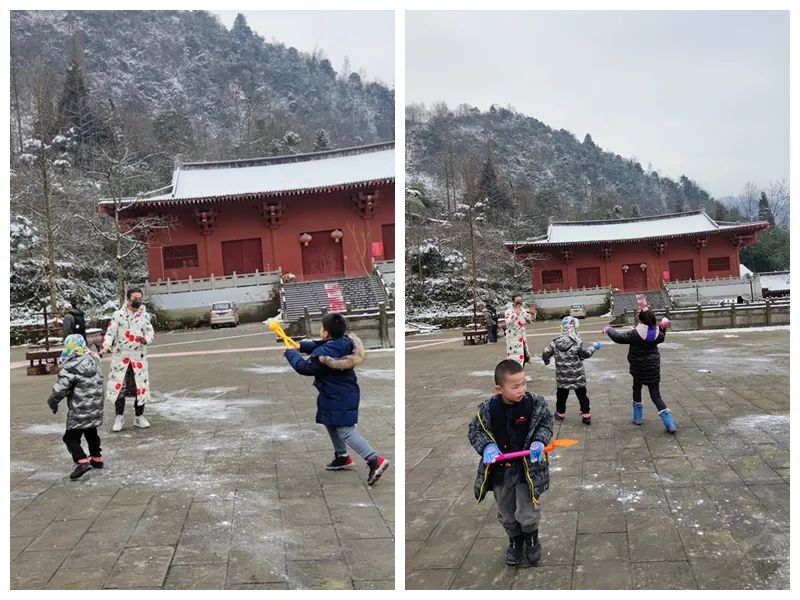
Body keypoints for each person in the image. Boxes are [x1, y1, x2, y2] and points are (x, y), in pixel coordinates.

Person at [283, 312, 390, 486]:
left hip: (337, 395)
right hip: (339, 392)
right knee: (330, 421)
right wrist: (300, 346)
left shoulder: (324, 355)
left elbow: (305, 367)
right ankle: (342, 457)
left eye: (321, 328)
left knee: (345, 429)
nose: (320, 331)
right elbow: (322, 346)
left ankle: (374, 460)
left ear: (325, 332)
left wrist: (291, 354)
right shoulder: (344, 342)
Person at [468, 359, 554, 566]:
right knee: (506, 513)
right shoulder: (488, 409)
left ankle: (531, 539)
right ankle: (515, 540)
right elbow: (475, 430)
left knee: (527, 511)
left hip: (527, 471)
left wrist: (539, 441)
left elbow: (545, 423)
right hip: (501, 471)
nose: (521, 390)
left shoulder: (535, 404)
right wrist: (487, 446)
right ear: (499, 389)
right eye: (515, 386)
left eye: (524, 383)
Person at [603, 309, 675, 433]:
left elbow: (618, 337)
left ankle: (638, 418)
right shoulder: (658, 334)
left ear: (640, 320)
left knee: (637, 389)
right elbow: (662, 337)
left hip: (638, 369)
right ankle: (669, 423)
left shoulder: (635, 334)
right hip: (653, 368)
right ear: (653, 320)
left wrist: (609, 329)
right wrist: (663, 327)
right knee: (656, 395)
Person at [48, 334, 105, 480]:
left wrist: (52, 402)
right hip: (94, 407)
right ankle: (97, 458)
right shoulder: (93, 362)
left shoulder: (69, 367)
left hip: (79, 409)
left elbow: (60, 390)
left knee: (70, 438)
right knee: (91, 433)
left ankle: (81, 461)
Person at [100, 287, 155, 432]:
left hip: (138, 357)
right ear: (127, 299)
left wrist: (146, 339)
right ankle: (119, 416)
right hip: (121, 357)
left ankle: (139, 416)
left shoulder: (144, 316)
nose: (137, 302)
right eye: (134, 299)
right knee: (119, 387)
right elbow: (110, 332)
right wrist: (106, 345)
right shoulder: (118, 315)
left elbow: (150, 332)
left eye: (140, 299)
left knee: (139, 387)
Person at [541, 316, 602, 425]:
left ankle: (560, 414)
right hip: (577, 376)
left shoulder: (555, 342)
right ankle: (586, 415)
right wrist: (594, 347)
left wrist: (546, 361)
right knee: (582, 395)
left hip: (562, 377)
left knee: (561, 396)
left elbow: (546, 352)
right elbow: (586, 354)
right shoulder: (577, 342)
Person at [504, 295, 534, 379]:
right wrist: (516, 314)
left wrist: (532, 313)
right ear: (513, 302)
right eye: (517, 300)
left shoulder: (523, 311)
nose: (519, 302)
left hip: (522, 339)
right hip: (513, 339)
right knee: (514, 358)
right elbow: (508, 322)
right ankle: (514, 376)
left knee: (523, 357)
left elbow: (530, 319)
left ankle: (520, 375)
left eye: (520, 300)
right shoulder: (509, 311)